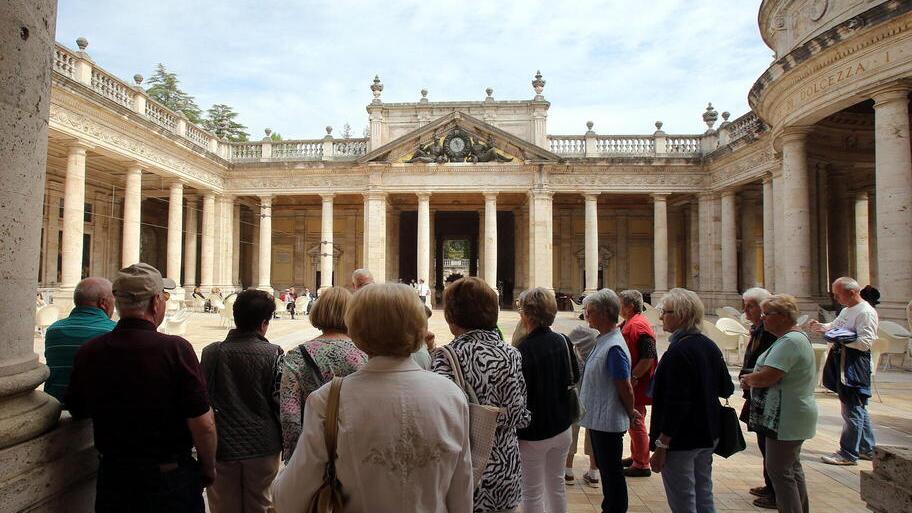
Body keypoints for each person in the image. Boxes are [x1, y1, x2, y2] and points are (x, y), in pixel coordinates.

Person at [272, 283, 473, 513]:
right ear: (420, 329)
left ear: (356, 330)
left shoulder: (328, 400)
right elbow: (461, 492)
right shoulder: (451, 395)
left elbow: (290, 497)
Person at [66, 263, 215, 513]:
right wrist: (208, 467)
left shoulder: (90, 351)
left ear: (116, 303)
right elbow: (203, 423)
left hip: (114, 481)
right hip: (168, 481)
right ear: (156, 302)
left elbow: (77, 408)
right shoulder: (176, 349)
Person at [431, 276, 531, 513]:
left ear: (453, 315)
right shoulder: (511, 354)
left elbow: (439, 419)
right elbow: (520, 415)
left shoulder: (446, 356)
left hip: (464, 472)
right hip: (505, 468)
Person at [649, 288, 734, 513]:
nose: (660, 317)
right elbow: (727, 387)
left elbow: (676, 404)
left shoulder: (678, 352)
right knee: (703, 491)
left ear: (681, 315)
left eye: (665, 312)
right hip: (708, 433)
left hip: (682, 438)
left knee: (683, 499)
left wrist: (662, 444)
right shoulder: (709, 346)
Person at [200, 289, 284, 513]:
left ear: (235, 317)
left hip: (222, 443)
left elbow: (202, 400)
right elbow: (279, 402)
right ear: (264, 323)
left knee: (222, 506)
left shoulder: (211, 352)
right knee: (262, 505)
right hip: (263, 445)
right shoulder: (274, 353)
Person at [741, 294, 817, 513]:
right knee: (791, 470)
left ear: (783, 317)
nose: (763, 318)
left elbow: (770, 376)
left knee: (780, 472)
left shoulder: (791, 341)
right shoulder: (790, 339)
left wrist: (749, 379)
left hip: (786, 416)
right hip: (790, 413)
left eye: (767, 314)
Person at [279, 286, 366, 461]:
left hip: (312, 448)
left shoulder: (297, 355)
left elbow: (290, 413)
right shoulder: (364, 354)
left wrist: (295, 457)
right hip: (355, 450)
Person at [514, 288, 579, 513]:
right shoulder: (563, 341)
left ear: (528, 315)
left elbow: (517, 394)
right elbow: (575, 376)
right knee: (556, 485)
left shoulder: (522, 350)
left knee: (531, 492)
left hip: (534, 432)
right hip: (562, 427)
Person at [809, 276, 879, 465]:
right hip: (842, 361)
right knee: (858, 408)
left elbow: (865, 343)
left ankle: (848, 453)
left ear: (851, 292)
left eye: (838, 294)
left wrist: (840, 338)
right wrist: (822, 328)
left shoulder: (865, 312)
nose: (835, 298)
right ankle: (866, 448)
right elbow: (835, 326)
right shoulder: (848, 309)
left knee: (852, 409)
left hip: (853, 365)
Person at [580, 288, 637, 513]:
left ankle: (614, 509)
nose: (587, 315)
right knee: (607, 469)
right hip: (599, 418)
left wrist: (631, 411)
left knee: (612, 471)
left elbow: (624, 385)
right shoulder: (604, 340)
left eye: (590, 311)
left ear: (604, 314)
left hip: (608, 420)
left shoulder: (613, 346)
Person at [44, 277, 116, 404]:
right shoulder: (114, 332)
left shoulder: (53, 331)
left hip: (55, 404)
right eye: (113, 298)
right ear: (103, 302)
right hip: (95, 409)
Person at [738, 287, 779, 509]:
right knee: (765, 443)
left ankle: (776, 491)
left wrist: (751, 377)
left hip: (767, 395)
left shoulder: (770, 332)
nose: (746, 310)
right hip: (756, 392)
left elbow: (770, 367)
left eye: (750, 306)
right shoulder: (758, 329)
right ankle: (770, 483)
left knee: (771, 445)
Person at [617, 289, 657, 478]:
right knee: (634, 419)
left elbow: (648, 357)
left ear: (630, 306)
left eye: (621, 303)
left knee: (636, 419)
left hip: (637, 382)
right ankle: (636, 456)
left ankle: (642, 463)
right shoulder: (630, 323)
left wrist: (633, 377)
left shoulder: (638, 326)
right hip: (634, 380)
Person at [564, 325, 601, 488]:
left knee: (572, 428)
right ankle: (593, 472)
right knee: (592, 431)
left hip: (577, 390)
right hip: (594, 390)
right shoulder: (599, 335)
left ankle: (568, 470)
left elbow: (566, 342)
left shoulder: (579, 330)